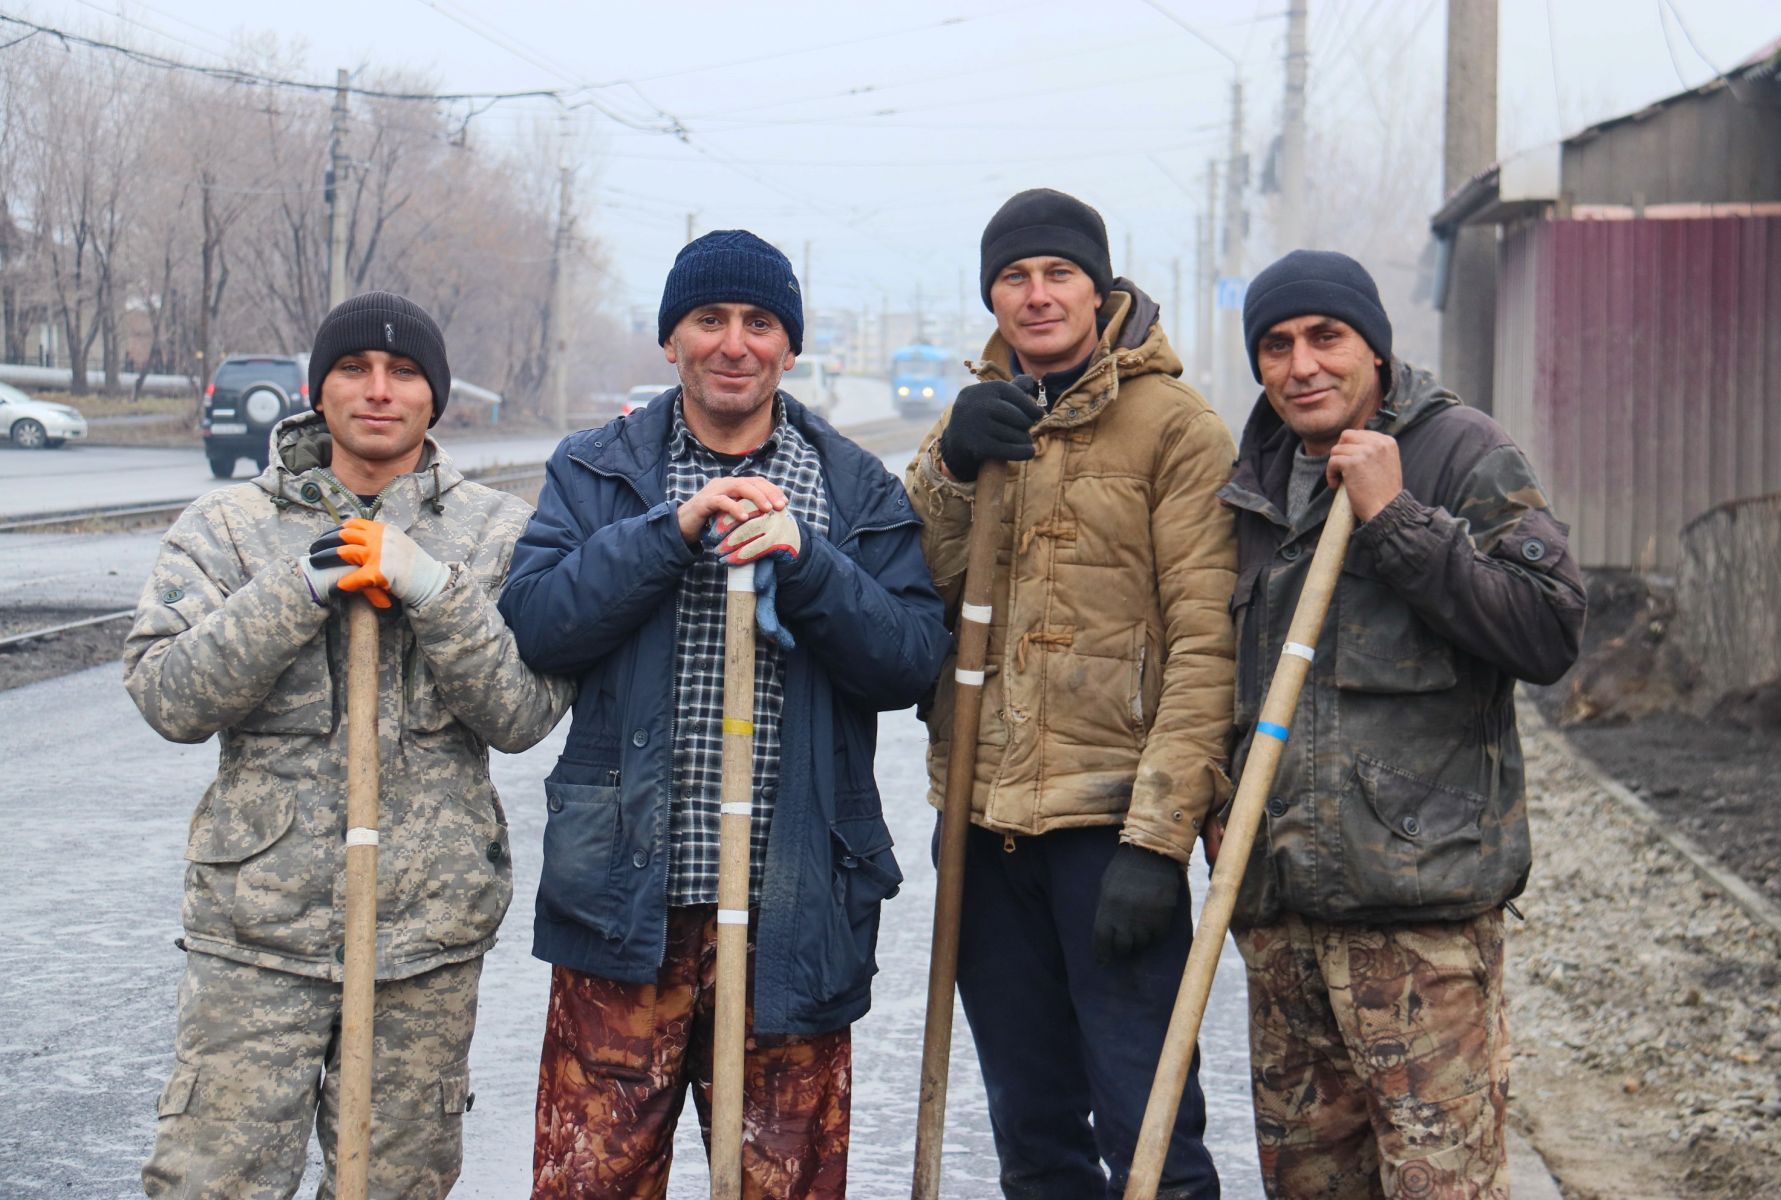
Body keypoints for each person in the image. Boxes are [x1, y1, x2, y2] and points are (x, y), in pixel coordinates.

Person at [499, 229, 949, 1199]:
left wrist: (811, 563)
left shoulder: (854, 488)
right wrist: (674, 529)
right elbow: (537, 624)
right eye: (710, 321)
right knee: (591, 1186)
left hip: (795, 916)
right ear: (673, 340)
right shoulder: (600, 470)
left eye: (759, 323)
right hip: (625, 910)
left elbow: (911, 661)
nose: (733, 343)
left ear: (790, 346)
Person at [125, 291, 572, 1198]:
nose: (378, 391)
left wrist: (434, 592)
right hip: (258, 935)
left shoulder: (496, 535)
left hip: (424, 940)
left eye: (404, 373)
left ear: (434, 398)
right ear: (317, 390)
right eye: (353, 370)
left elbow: (522, 715)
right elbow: (169, 697)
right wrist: (296, 587)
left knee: (397, 1189)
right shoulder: (227, 528)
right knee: (212, 1182)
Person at [1217, 249, 1587, 1198]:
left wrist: (1398, 520)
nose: (1302, 365)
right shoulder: (1248, 484)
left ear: (1374, 349)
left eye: (1326, 338)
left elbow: (1548, 631)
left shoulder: (1460, 451)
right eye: (1276, 345)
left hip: (1419, 931)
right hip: (1284, 930)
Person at [903, 187, 1237, 1198]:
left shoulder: (1176, 429)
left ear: (1099, 286)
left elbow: (1204, 642)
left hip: (1110, 832)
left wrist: (1160, 837)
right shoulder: (969, 424)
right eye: (1014, 277)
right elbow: (910, 588)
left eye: (1057, 273)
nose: (1037, 295)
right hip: (982, 826)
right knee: (1035, 1134)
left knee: (1151, 1131)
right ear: (991, 294)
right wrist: (956, 468)